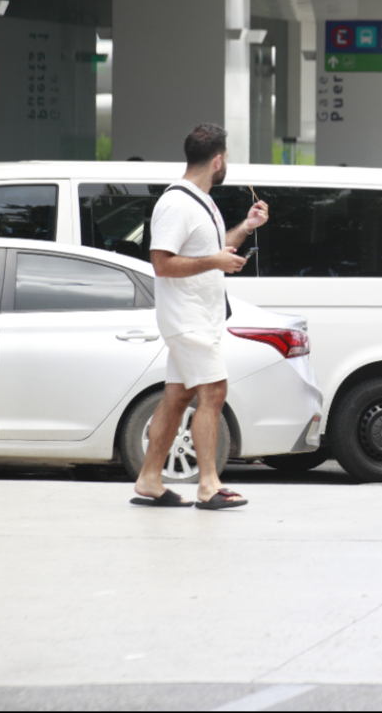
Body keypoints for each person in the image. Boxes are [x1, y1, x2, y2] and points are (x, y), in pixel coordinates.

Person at [131, 123, 269, 510]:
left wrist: (247, 226)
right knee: (214, 391)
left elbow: (216, 249)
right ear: (218, 160)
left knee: (177, 397)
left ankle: (149, 479)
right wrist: (215, 261)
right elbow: (161, 263)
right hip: (187, 319)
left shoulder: (201, 201)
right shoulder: (176, 203)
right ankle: (208, 485)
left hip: (197, 318)